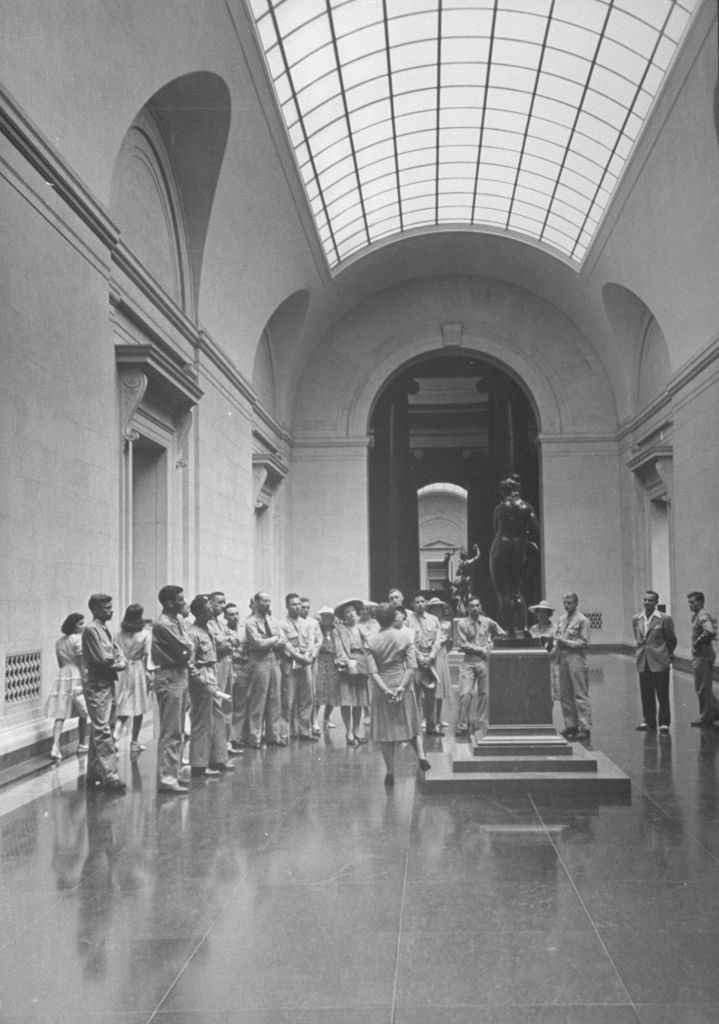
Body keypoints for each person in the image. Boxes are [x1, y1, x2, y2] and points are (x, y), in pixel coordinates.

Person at [366, 602, 431, 785]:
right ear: (393, 616)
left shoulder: (371, 640)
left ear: (377, 619)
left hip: (382, 686)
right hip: (403, 681)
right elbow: (412, 666)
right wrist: (402, 686)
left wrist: (386, 690)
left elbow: (373, 672)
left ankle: (390, 772)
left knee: (386, 732)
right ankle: (421, 755)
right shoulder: (406, 635)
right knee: (411, 722)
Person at [81, 593, 127, 792]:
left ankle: (94, 772)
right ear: (96, 609)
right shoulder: (91, 630)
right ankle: (110, 776)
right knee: (102, 730)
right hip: (98, 684)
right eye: (107, 608)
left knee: (101, 727)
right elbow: (104, 658)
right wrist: (118, 661)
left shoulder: (103, 629)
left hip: (106, 682)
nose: (111, 611)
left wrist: (117, 659)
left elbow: (117, 652)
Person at [151, 584, 194, 794]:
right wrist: (188, 648)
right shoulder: (163, 624)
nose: (184, 603)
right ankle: (167, 779)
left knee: (178, 729)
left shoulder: (176, 620)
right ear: (169, 603)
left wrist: (187, 648)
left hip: (180, 674)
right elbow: (186, 648)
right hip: (170, 675)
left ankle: (173, 774)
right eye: (180, 599)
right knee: (170, 731)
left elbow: (187, 648)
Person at [187, 594, 234, 777]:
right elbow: (190, 663)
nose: (212, 611)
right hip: (202, 680)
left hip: (211, 676)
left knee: (217, 719)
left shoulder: (207, 630)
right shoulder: (193, 633)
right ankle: (199, 765)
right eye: (207, 609)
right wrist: (201, 681)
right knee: (202, 722)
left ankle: (218, 759)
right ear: (199, 612)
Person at [489, 475, 539, 635]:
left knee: (503, 592)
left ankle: (510, 630)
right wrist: (524, 537)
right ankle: (524, 627)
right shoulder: (526, 507)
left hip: (500, 547)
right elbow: (535, 530)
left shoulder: (499, 508)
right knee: (516, 591)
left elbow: (496, 529)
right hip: (519, 548)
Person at [455, 597, 505, 743]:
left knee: (484, 693)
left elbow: (502, 634)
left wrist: (491, 645)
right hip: (469, 661)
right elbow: (463, 644)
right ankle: (462, 724)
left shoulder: (488, 622)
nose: (475, 608)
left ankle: (481, 723)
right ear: (468, 608)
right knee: (465, 693)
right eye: (471, 606)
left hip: (484, 662)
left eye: (477, 605)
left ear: (480, 606)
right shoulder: (462, 624)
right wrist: (480, 649)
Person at [245, 591, 287, 748]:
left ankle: (273, 735)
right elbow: (258, 643)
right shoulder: (251, 622)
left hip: (274, 660)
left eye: (269, 601)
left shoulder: (273, 620)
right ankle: (255, 736)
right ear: (255, 603)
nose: (267, 604)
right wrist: (274, 639)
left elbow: (283, 640)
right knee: (259, 698)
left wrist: (272, 641)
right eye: (263, 601)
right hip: (259, 661)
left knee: (275, 698)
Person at [632, 590, 677, 733]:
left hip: (660, 661)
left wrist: (665, 654)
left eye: (650, 600)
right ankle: (649, 720)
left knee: (662, 693)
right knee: (646, 693)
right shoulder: (636, 618)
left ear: (656, 602)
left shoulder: (664, 618)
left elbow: (671, 640)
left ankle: (664, 722)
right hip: (643, 661)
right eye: (645, 600)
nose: (647, 603)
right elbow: (639, 639)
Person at [46, 612, 88, 760]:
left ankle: (55, 746)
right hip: (76, 675)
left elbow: (60, 663)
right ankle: (82, 743)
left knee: (60, 713)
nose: (83, 626)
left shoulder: (59, 642)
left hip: (63, 676)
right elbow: (81, 662)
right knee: (84, 711)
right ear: (74, 625)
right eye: (81, 623)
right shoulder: (78, 640)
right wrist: (86, 678)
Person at [279, 593, 318, 741]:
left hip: (305, 666)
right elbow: (285, 645)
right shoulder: (282, 624)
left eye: (299, 604)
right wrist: (300, 657)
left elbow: (311, 642)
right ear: (287, 606)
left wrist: (308, 656)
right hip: (290, 665)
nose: (297, 607)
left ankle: (304, 730)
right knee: (288, 700)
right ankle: (285, 732)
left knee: (307, 698)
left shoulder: (307, 624)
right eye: (294, 604)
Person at [113, 604, 152, 753]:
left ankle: (117, 731)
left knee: (123, 704)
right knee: (138, 707)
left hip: (122, 670)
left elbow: (114, 652)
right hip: (138, 670)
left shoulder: (118, 634)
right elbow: (148, 655)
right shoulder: (145, 634)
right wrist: (149, 673)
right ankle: (134, 741)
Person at [333, 598, 370, 745]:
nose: (351, 614)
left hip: (361, 664)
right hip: (346, 666)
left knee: (359, 701)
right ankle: (348, 731)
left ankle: (356, 730)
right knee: (346, 700)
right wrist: (348, 663)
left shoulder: (363, 628)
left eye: (353, 611)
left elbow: (369, 646)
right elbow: (339, 649)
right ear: (343, 615)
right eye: (347, 612)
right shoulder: (339, 631)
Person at [406, 592, 443, 735]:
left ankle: (431, 726)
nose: (420, 604)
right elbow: (409, 641)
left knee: (431, 694)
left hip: (431, 659)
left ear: (426, 603)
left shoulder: (434, 620)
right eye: (417, 602)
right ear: (413, 605)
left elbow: (438, 640)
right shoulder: (408, 621)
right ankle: (414, 728)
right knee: (414, 694)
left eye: (422, 601)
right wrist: (420, 657)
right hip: (415, 660)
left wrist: (431, 656)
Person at [555, 592, 591, 741]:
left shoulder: (583, 620)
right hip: (563, 658)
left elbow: (584, 642)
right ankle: (571, 725)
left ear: (576, 603)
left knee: (579, 694)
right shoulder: (562, 619)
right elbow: (557, 636)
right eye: (565, 602)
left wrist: (566, 642)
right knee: (565, 694)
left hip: (576, 658)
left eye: (569, 603)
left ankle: (585, 727)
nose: (566, 605)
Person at [206, 591, 236, 746]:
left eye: (224, 603)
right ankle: (216, 745)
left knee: (227, 704)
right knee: (216, 705)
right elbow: (219, 644)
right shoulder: (208, 624)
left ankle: (226, 742)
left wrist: (228, 640)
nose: (223, 606)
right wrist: (228, 641)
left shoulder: (220, 624)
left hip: (228, 666)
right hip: (217, 667)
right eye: (219, 603)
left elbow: (234, 639)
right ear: (210, 603)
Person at [687, 591, 718, 727]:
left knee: (702, 687)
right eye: (689, 602)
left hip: (703, 655)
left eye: (692, 602)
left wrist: (697, 642)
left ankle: (706, 717)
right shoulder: (696, 616)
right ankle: (715, 711)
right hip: (701, 655)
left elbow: (710, 631)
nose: (690, 605)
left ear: (700, 602)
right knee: (703, 686)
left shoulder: (702, 616)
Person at [225, 601, 249, 753]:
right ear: (225, 616)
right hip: (229, 668)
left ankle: (236, 737)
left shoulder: (244, 631)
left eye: (236, 614)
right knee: (228, 705)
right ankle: (226, 740)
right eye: (231, 614)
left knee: (241, 704)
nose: (235, 617)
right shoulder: (223, 630)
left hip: (243, 669)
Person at [426, 597, 452, 728]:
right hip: (430, 655)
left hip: (441, 655)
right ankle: (427, 718)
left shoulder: (446, 624)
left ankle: (439, 718)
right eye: (434, 608)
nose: (437, 611)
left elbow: (448, 641)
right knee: (427, 687)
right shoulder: (427, 623)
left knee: (440, 688)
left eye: (439, 608)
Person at [529, 599, 560, 702]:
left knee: (549, 695)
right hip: (535, 666)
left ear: (548, 614)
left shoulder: (555, 629)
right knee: (536, 695)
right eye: (539, 612)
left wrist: (544, 656)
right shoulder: (533, 629)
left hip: (549, 666)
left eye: (543, 612)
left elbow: (556, 647)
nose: (541, 615)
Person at [300, 596, 323, 734]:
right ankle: (300, 723)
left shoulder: (314, 622)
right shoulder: (295, 622)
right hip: (299, 660)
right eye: (303, 607)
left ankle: (313, 719)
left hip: (312, 660)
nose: (305, 610)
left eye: (307, 607)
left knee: (312, 691)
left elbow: (318, 640)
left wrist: (313, 654)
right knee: (300, 692)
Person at [314, 606, 338, 729]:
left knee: (332, 693)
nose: (327, 619)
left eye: (330, 616)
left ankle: (326, 719)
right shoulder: (318, 629)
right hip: (321, 662)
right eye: (325, 616)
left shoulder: (336, 630)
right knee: (319, 691)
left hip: (333, 663)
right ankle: (314, 720)